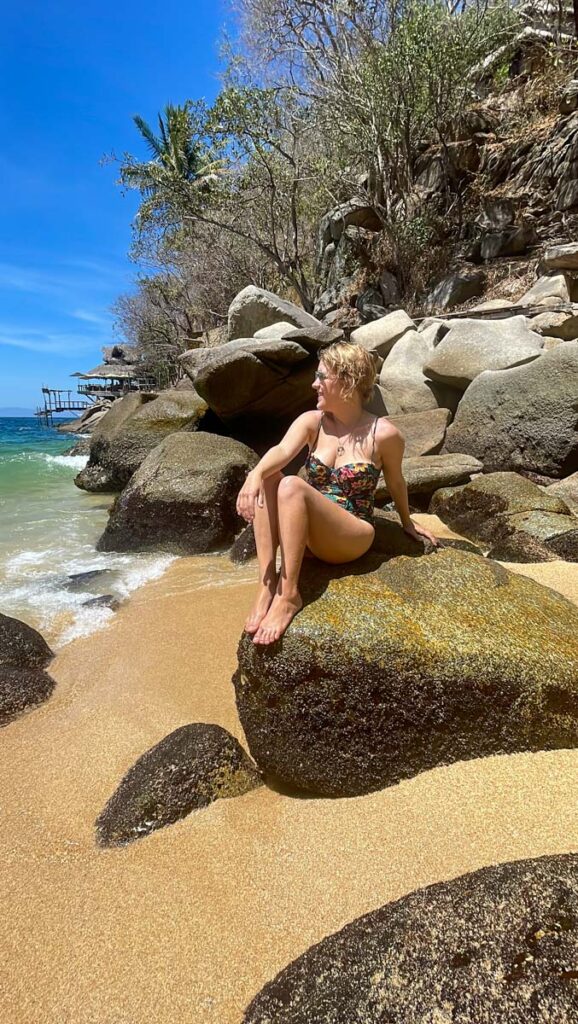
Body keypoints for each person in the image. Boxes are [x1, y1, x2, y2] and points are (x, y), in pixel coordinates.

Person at [236, 341, 438, 645]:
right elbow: (282, 450)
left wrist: (407, 522)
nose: (314, 384)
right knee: (269, 478)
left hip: (351, 534)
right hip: (310, 534)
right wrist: (254, 475)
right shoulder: (312, 422)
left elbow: (396, 482)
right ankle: (267, 585)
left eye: (322, 377)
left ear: (347, 381)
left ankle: (289, 595)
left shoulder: (384, 434)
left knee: (290, 485)